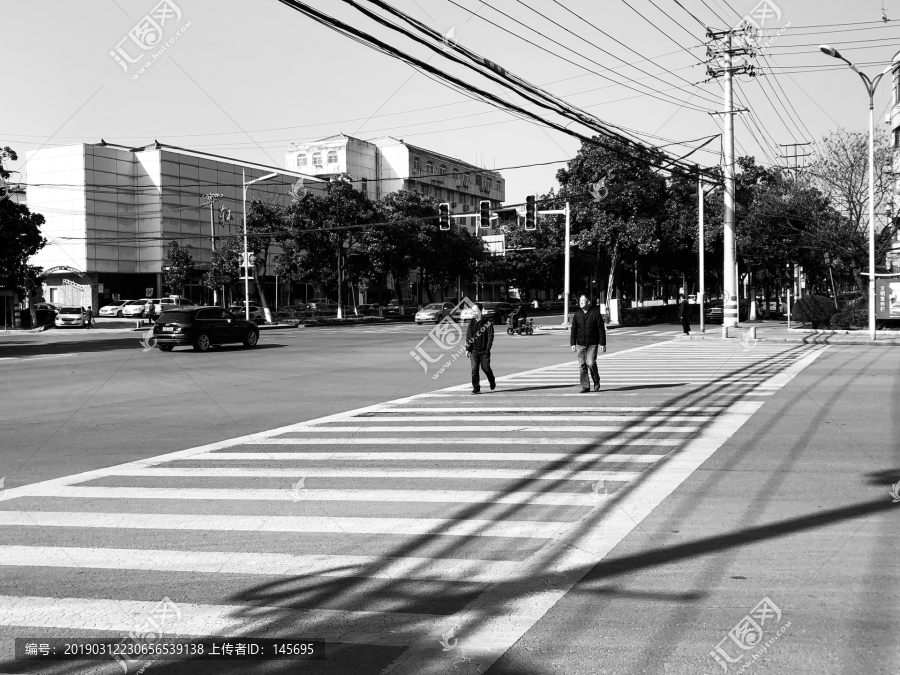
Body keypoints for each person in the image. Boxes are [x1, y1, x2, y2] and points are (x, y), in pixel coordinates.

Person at [570, 294, 606, 393]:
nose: (580, 302)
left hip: (592, 343)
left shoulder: (595, 313)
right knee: (582, 365)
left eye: (583, 300)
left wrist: (602, 343)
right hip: (581, 344)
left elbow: (601, 329)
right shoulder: (577, 314)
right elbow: (574, 329)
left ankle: (596, 380)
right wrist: (572, 343)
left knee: (590, 363)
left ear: (588, 302)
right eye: (580, 300)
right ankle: (585, 386)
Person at [465, 303, 496, 394]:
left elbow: (491, 335)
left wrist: (488, 348)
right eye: (472, 311)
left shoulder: (487, 322)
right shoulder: (472, 322)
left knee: (485, 368)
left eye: (474, 311)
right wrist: (467, 349)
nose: (473, 313)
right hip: (474, 350)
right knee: (474, 370)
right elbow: (468, 335)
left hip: (484, 351)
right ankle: (476, 388)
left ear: (479, 311)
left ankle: (491, 379)